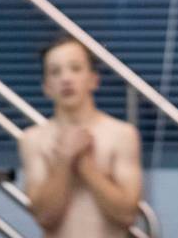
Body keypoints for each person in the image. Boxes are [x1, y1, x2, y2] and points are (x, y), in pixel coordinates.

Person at [18, 34, 142, 238]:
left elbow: (127, 215)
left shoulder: (122, 134)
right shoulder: (33, 139)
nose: (66, 79)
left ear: (93, 80)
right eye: (55, 72)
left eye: (75, 68)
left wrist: (86, 167)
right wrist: (64, 161)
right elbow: (44, 217)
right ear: (46, 87)